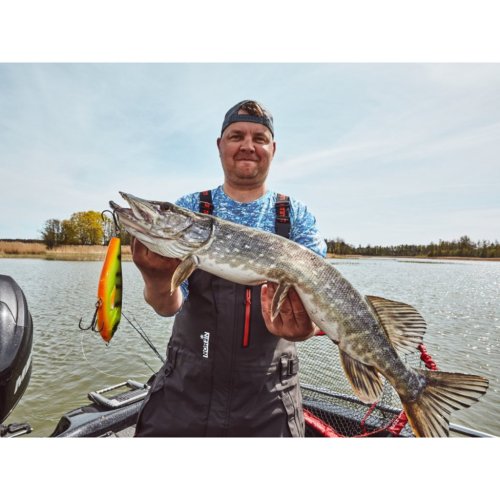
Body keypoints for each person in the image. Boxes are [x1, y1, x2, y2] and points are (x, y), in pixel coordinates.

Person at [131, 100, 326, 437]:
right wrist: (156, 279)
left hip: (269, 399)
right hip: (185, 390)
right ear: (220, 145)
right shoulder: (192, 207)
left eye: (259, 138)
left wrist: (305, 329)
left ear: (273, 149)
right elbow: (167, 306)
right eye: (237, 136)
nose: (248, 146)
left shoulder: (295, 216)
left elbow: (320, 307)